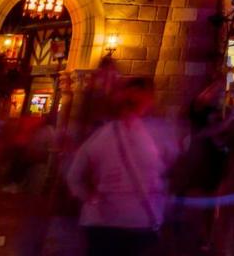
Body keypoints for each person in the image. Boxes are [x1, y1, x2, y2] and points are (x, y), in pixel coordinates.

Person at [65, 77, 178, 256]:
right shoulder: (158, 134)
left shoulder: (101, 135)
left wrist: (89, 198)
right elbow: (171, 169)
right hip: (138, 223)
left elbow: (74, 176)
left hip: (105, 222)